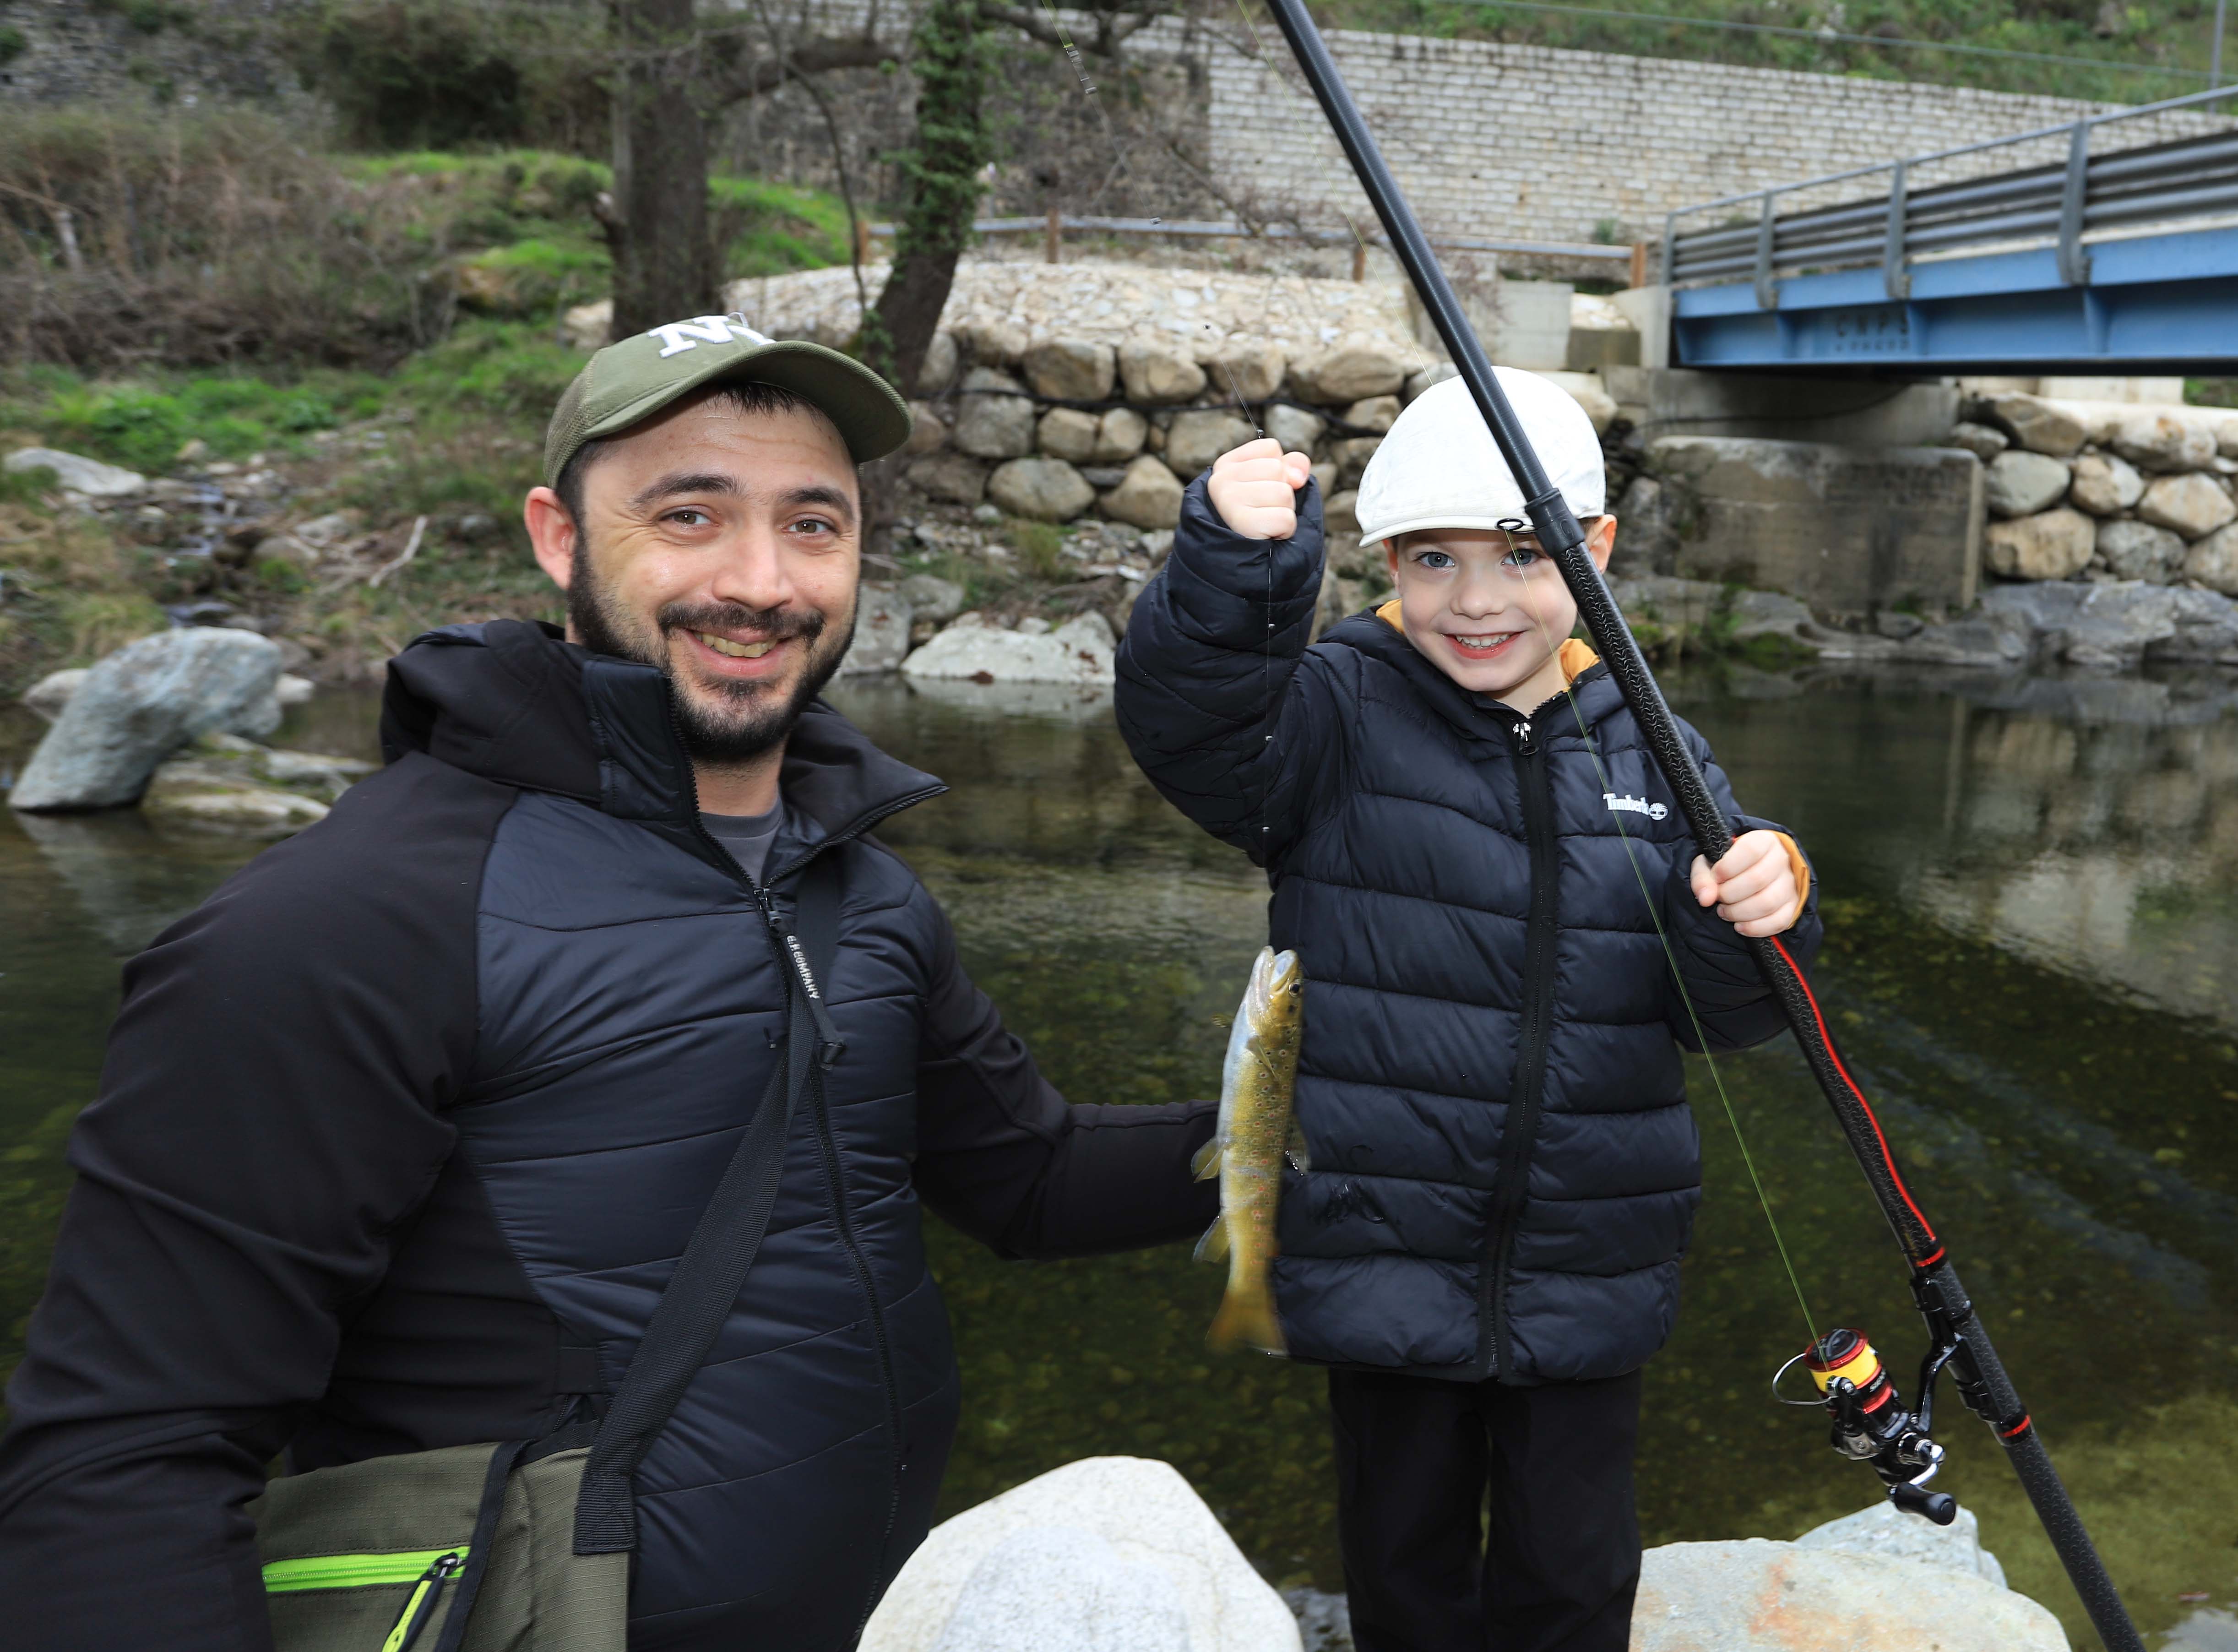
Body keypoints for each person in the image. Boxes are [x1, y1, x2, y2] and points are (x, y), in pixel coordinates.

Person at [0, 316, 1217, 1651]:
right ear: (559, 536)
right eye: (690, 515)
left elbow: (1029, 1178)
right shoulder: (347, 924)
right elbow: (122, 1466)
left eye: (813, 524)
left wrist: (1327, 1119)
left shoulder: (859, 890)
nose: (761, 581)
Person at [1114, 369, 1823, 1652]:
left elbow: (1725, 1017)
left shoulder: (1655, 741)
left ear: (1597, 548)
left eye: (1522, 555)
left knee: (1574, 1576)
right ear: (1387, 561)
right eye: (1436, 559)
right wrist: (1235, 569)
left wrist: (1768, 901)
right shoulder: (1335, 710)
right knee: (1406, 1571)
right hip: (1381, 1253)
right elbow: (1194, 726)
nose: (1479, 600)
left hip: (1593, 1266)